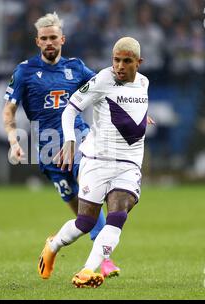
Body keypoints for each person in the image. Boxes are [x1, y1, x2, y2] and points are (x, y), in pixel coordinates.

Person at [2, 12, 120, 278]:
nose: (49, 42)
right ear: (37, 41)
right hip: (46, 149)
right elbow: (8, 111)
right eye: (44, 38)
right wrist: (13, 140)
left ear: (62, 39)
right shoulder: (24, 71)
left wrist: (129, 109)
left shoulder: (76, 67)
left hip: (77, 138)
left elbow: (105, 87)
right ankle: (54, 245)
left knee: (92, 194)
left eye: (53, 37)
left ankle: (104, 262)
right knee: (80, 211)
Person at [39, 36, 148, 288]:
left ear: (138, 63)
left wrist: (143, 118)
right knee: (85, 223)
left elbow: (131, 107)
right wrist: (69, 141)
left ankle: (87, 271)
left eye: (126, 61)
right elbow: (70, 109)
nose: (119, 66)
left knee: (118, 215)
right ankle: (53, 244)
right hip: (97, 160)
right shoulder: (102, 79)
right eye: (116, 60)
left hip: (129, 164)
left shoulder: (144, 83)